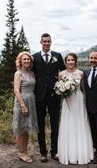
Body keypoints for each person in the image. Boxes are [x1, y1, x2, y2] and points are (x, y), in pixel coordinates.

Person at [32, 33, 65, 162]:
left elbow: (63, 72)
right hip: (39, 96)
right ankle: (43, 153)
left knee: (55, 125)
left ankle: (54, 152)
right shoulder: (34, 57)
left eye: (48, 41)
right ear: (40, 42)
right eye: (44, 41)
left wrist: (65, 87)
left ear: (51, 42)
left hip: (54, 95)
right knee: (40, 125)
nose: (46, 43)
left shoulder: (57, 56)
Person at [56, 53, 93, 165]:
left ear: (75, 61)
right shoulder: (61, 74)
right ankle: (67, 153)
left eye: (72, 60)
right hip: (67, 102)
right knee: (68, 124)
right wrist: (62, 91)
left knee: (79, 124)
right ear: (65, 62)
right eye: (68, 60)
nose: (71, 62)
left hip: (78, 100)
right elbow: (60, 88)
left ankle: (81, 153)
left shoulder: (81, 73)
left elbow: (83, 89)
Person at [12, 52, 37, 163]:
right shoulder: (18, 73)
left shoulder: (31, 73)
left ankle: (24, 151)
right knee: (21, 127)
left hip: (31, 101)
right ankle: (22, 153)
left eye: (28, 59)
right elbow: (16, 90)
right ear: (20, 61)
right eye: (24, 59)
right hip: (22, 101)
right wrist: (23, 105)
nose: (26, 61)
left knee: (26, 127)